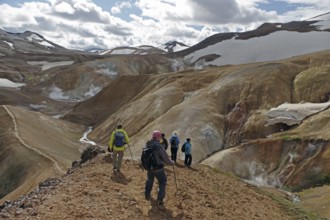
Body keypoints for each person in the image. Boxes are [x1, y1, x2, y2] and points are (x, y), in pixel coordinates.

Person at [145, 130, 174, 205]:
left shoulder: (148, 144)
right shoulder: (159, 146)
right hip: (158, 168)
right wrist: (171, 163)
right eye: (160, 137)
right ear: (158, 137)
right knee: (162, 181)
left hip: (149, 167)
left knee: (149, 180)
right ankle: (160, 199)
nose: (161, 138)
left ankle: (147, 194)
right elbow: (166, 159)